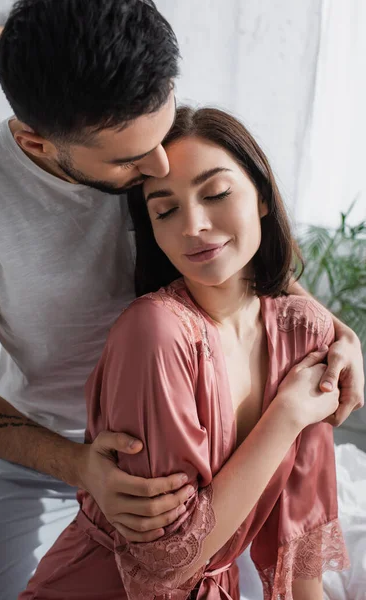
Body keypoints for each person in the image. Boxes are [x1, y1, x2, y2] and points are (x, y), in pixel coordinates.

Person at [0, 1, 362, 598]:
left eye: (163, 120)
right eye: (131, 164)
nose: (159, 163)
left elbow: (236, 248)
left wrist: (333, 329)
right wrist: (84, 470)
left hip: (207, 446)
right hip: (47, 449)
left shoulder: (141, 114)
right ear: (39, 145)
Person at [19, 106, 350, 599]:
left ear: (261, 195)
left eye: (216, 193)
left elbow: (299, 564)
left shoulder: (305, 333)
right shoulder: (155, 333)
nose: (193, 224)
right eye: (165, 209)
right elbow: (165, 560)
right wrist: (286, 416)